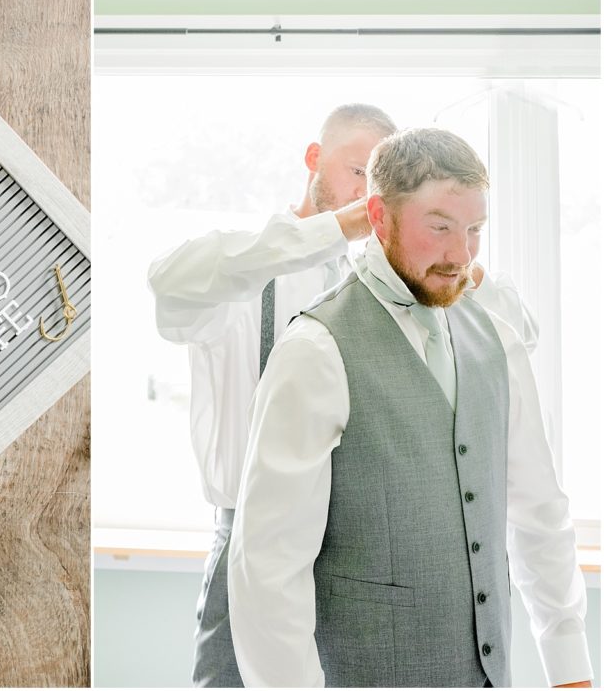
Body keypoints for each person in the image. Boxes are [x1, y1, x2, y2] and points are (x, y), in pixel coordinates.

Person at [147, 106, 536, 687]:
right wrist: (341, 226)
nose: (364, 189)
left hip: (380, 556)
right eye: (358, 170)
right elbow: (168, 281)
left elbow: (519, 337)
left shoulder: (403, 286)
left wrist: (455, 259)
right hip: (252, 547)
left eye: (376, 181)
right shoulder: (245, 270)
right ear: (314, 159)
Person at [228, 128, 591, 688]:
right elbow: (268, 571)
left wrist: (570, 669)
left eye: (473, 230)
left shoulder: (499, 340)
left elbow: (540, 512)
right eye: (439, 227)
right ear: (378, 215)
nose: (460, 255)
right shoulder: (314, 352)